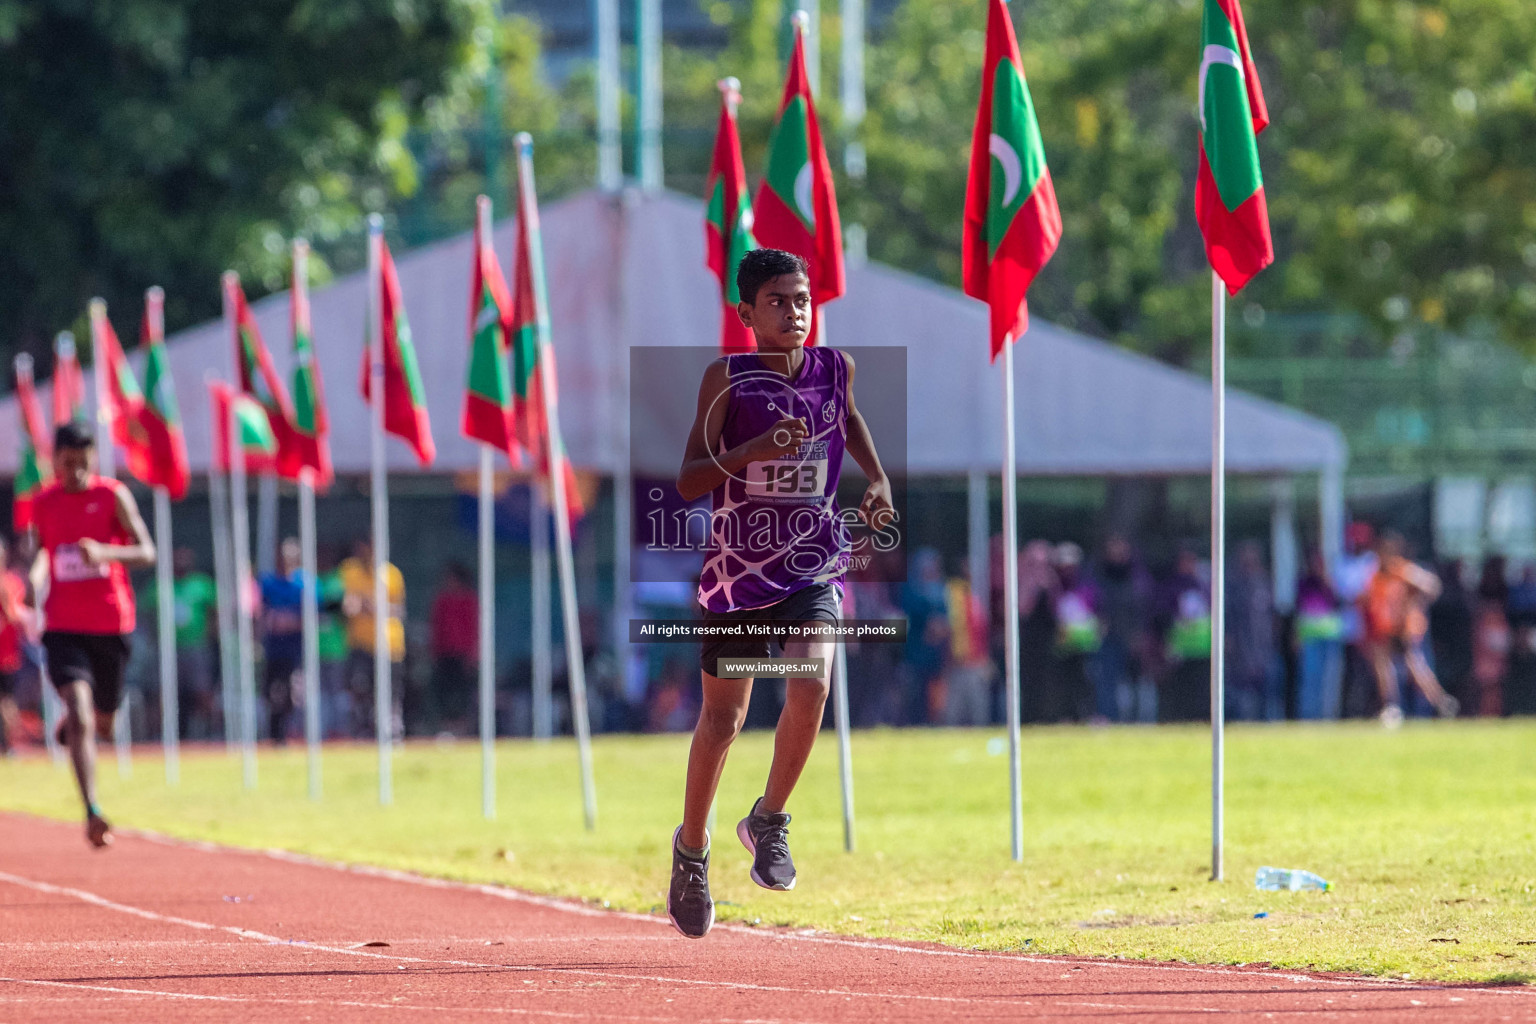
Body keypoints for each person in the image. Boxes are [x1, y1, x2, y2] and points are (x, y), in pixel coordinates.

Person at [666, 248, 893, 939]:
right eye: (778, 302)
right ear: (746, 313)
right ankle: (693, 851)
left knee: (812, 681)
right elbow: (689, 481)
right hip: (736, 578)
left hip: (811, 564)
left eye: (802, 300)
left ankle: (768, 820)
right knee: (723, 721)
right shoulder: (727, 378)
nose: (794, 312)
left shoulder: (834, 367)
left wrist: (876, 477)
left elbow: (846, 418)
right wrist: (752, 449)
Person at [28, 421, 156, 847]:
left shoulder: (112, 495)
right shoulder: (43, 503)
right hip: (63, 625)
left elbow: (147, 551)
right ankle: (93, 810)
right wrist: (33, 577)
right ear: (55, 461)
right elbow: (42, 553)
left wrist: (106, 552)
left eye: (84, 463)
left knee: (103, 723)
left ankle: (80, 724)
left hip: (110, 623)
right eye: (68, 464)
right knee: (81, 713)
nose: (77, 472)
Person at [1362, 532, 1457, 727]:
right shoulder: (1376, 576)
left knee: (1416, 667)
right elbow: (1370, 601)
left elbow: (1431, 586)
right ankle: (1391, 707)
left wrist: (1415, 601)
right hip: (1386, 629)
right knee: (1384, 665)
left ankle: (1441, 702)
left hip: (1406, 628)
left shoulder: (1402, 571)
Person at [144, 547, 219, 739]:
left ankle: (215, 733)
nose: (182, 562)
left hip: (196, 648)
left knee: (203, 693)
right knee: (161, 693)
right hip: (167, 649)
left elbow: (215, 612)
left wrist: (211, 635)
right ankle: (155, 737)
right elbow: (146, 614)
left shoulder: (202, 585)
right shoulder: (160, 585)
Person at [339, 538, 405, 739]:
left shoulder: (391, 574)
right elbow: (346, 605)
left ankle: (391, 733)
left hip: (388, 645)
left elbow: (399, 609)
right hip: (360, 644)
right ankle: (362, 731)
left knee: (389, 693)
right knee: (359, 688)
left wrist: (375, 607)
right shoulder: (349, 571)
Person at [257, 537, 306, 744]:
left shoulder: (303, 584)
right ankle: (273, 734)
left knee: (290, 694)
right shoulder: (267, 583)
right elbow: (257, 612)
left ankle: (287, 732)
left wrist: (291, 622)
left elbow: (315, 616)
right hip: (272, 648)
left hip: (294, 650)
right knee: (270, 692)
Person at [1294, 549, 1345, 719]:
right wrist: (1297, 637)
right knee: (1310, 678)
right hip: (1310, 637)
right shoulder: (1303, 583)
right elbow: (1299, 611)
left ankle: (1328, 715)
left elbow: (1338, 604)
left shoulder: (1330, 583)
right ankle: (1309, 715)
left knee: (1329, 680)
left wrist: (1327, 582)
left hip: (1331, 637)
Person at [429, 562, 478, 735]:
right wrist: (434, 652)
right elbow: (436, 627)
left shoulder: (469, 599)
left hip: (462, 655)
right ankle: (447, 729)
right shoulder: (442, 600)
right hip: (444, 653)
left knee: (462, 693)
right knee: (444, 692)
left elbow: (473, 628)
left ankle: (461, 728)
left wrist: (472, 655)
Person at [0, 537, 31, 755]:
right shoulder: (11, 581)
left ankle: (11, 743)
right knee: (5, 700)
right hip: (8, 650)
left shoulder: (11, 581)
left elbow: (13, 614)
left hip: (7, 651)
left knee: (6, 700)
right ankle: (10, 743)